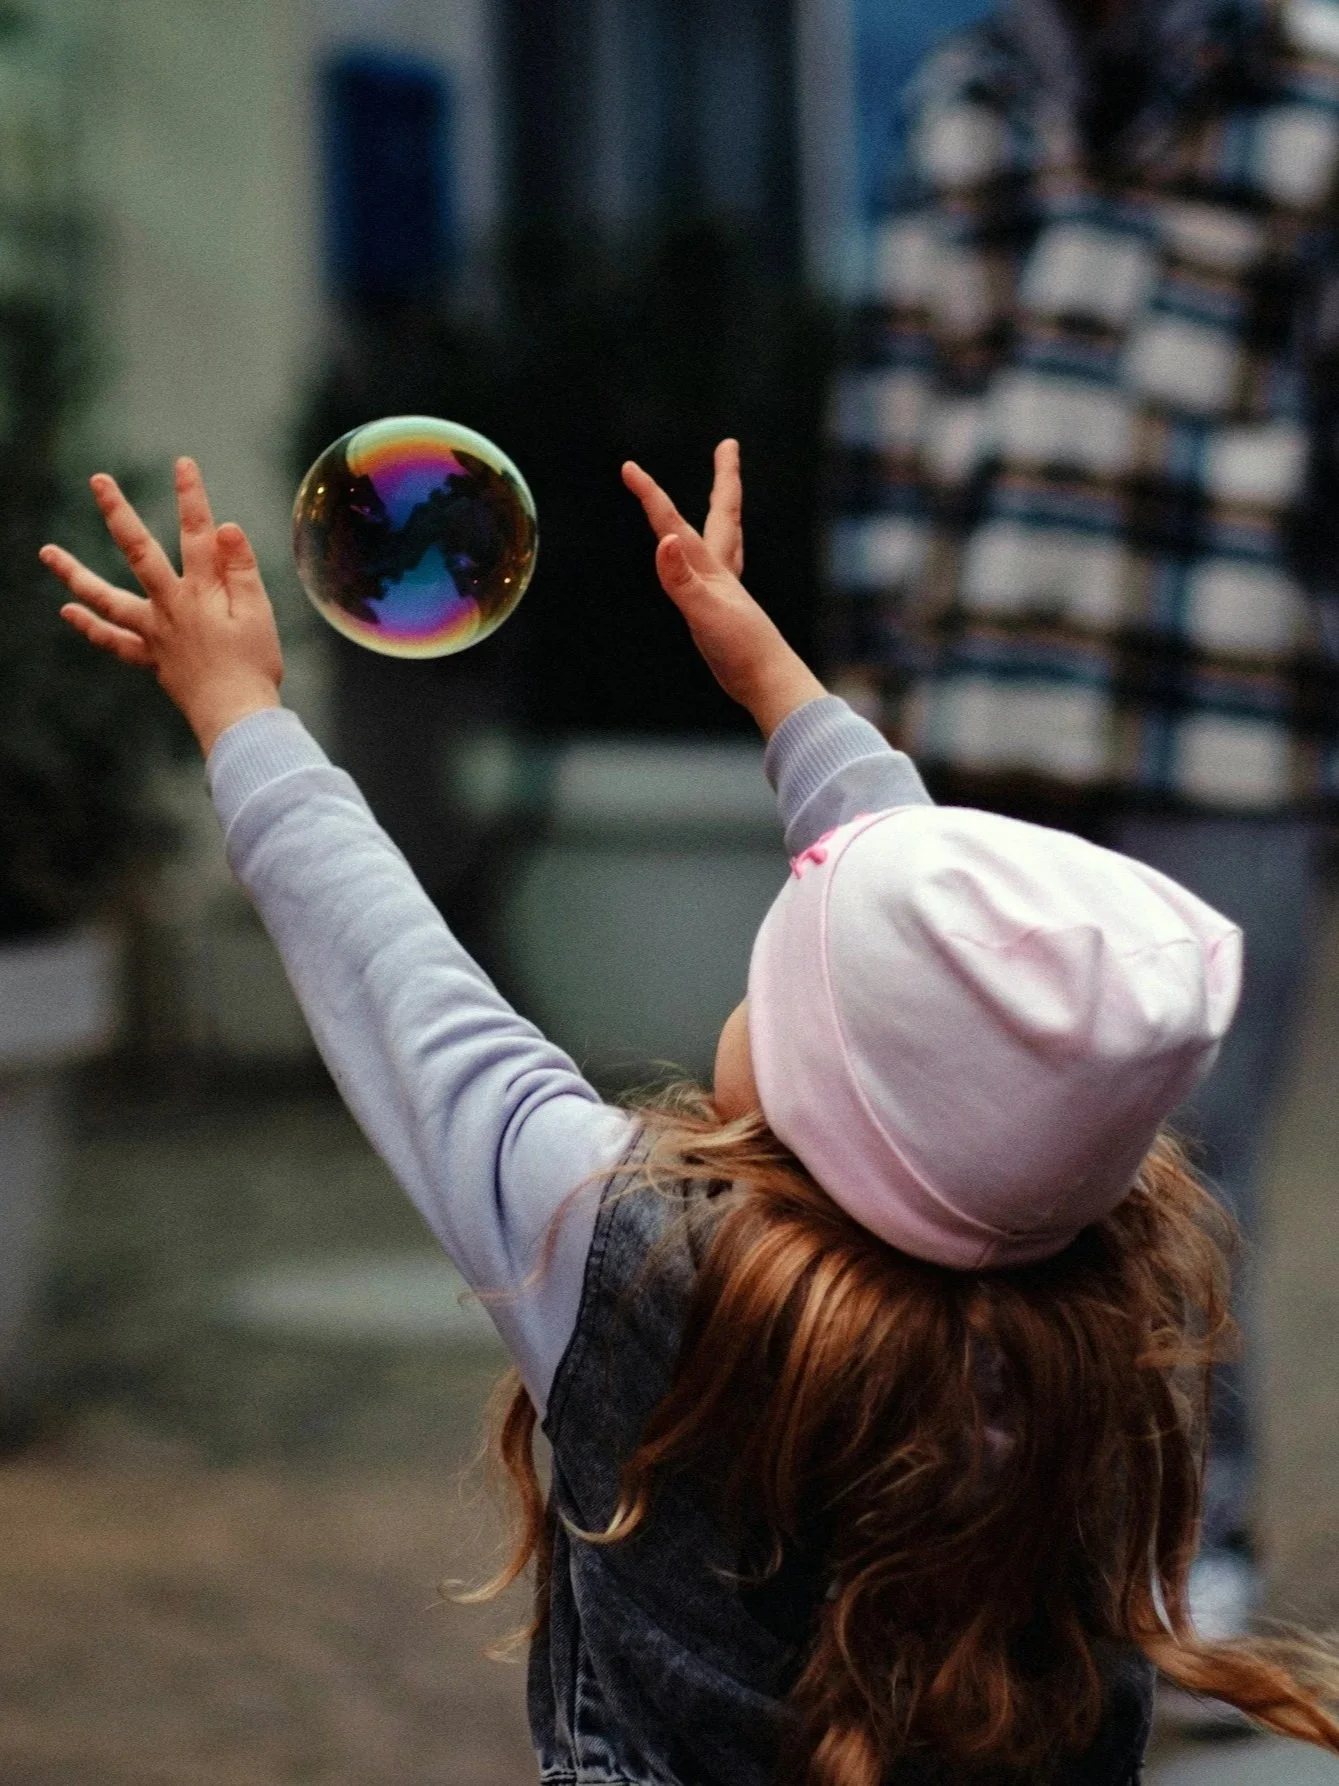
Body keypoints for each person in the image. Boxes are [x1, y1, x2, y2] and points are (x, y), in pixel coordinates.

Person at [41, 448, 1339, 1784]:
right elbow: (980, 1015)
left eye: (779, 965)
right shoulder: (1090, 1296)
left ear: (826, 1097)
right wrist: (776, 685)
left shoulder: (649, 1266)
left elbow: (408, 1000)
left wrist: (242, 715)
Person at [826, 0, 1339, 1659]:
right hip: (982, 721)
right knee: (967, 1174)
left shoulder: (1313, 95)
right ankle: (989, 1576)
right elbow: (891, 410)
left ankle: (1194, 1564)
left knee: (1189, 1177)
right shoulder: (967, 93)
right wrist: (859, 693)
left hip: (1232, 721)